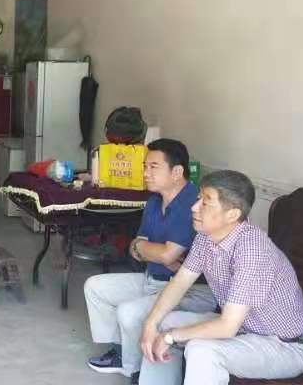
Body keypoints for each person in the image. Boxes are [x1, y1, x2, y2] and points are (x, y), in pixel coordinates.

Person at [137, 170, 303, 385]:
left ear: (232, 214)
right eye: (198, 198)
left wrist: (171, 337)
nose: (194, 207)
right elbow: (180, 283)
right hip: (244, 330)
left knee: (202, 351)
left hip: (285, 346)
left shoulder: (252, 249)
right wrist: (151, 323)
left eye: (206, 202)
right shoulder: (207, 236)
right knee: (163, 322)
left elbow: (226, 326)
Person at [84, 139, 217, 383]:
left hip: (186, 289)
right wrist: (150, 250)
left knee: (128, 312)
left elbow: (167, 256)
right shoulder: (154, 200)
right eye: (145, 166)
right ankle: (121, 351)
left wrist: (150, 250)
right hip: (153, 277)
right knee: (95, 286)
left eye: (153, 167)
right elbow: (137, 247)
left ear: (177, 172)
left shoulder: (190, 204)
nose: (145, 173)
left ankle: (135, 369)